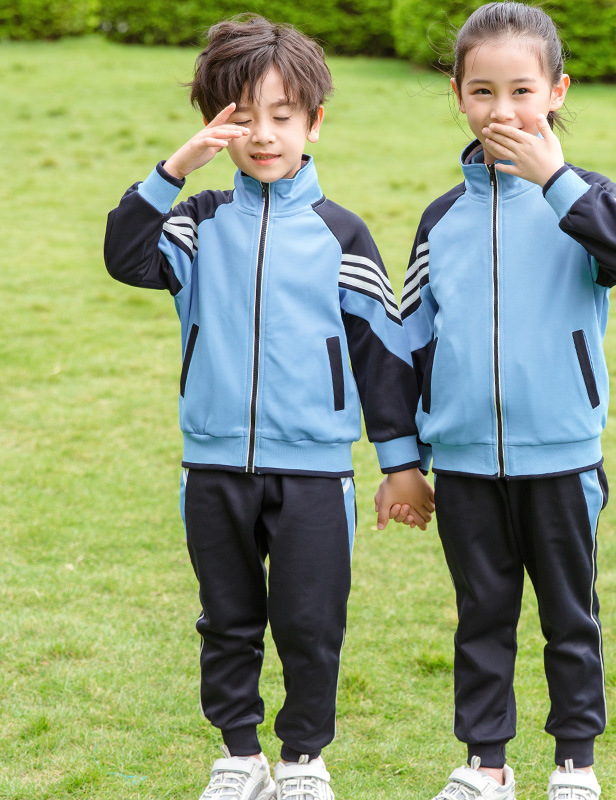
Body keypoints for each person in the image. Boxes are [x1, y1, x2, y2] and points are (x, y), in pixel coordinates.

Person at [104, 14, 433, 800]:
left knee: (311, 624)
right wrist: (177, 167)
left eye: (282, 116)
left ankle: (304, 761)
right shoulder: (196, 223)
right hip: (213, 463)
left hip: (315, 471)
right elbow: (124, 255)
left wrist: (400, 465)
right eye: (242, 116)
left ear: (313, 123)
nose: (262, 135)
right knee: (226, 619)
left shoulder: (341, 235)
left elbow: (381, 358)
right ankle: (240, 755)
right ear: (215, 123)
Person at [399, 3, 616, 799]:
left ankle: (575, 764)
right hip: (466, 462)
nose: (501, 109)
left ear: (556, 92)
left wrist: (554, 180)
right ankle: (486, 765)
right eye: (482, 91)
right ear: (458, 95)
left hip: (563, 457)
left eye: (521, 90)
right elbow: (408, 345)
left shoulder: (587, 200)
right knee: (481, 616)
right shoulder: (441, 219)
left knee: (570, 618)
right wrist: (405, 457)